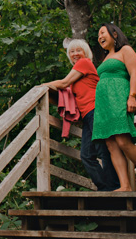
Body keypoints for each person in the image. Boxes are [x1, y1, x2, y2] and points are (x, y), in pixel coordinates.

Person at [44, 39, 120, 191]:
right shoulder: (79, 71)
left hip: (96, 110)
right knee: (87, 155)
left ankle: (112, 188)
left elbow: (64, 83)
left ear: (86, 53)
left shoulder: (84, 63)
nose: (75, 54)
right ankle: (107, 188)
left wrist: (41, 86)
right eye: (72, 51)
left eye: (79, 50)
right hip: (88, 115)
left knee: (102, 150)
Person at [92, 23, 136, 192]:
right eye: (98, 35)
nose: (99, 36)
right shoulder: (106, 58)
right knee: (111, 145)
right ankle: (125, 185)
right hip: (104, 106)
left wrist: (132, 96)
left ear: (114, 34)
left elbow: (135, 73)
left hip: (118, 100)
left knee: (123, 141)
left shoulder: (126, 51)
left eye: (103, 32)